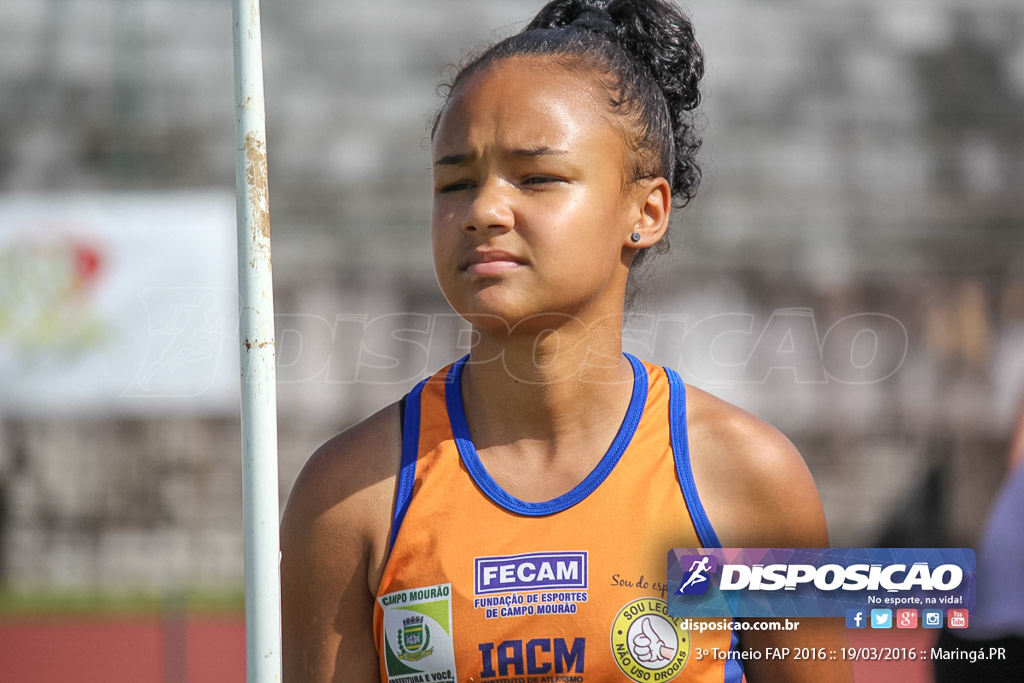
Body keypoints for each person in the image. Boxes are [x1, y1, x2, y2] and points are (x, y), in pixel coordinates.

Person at [281, 1, 852, 681]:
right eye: (455, 182)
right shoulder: (350, 496)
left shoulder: (744, 480)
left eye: (537, 177)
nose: (485, 211)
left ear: (646, 211)